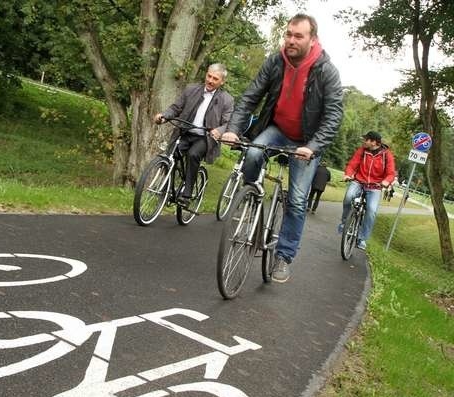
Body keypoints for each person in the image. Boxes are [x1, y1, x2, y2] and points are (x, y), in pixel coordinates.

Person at [221, 13, 343, 283]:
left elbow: (333, 115)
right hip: (277, 129)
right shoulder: (276, 61)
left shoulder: (326, 71)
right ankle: (252, 196)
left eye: (298, 35)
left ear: (313, 39)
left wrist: (313, 147)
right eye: (288, 34)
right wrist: (233, 129)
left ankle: (284, 257)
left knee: (298, 200)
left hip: (307, 142)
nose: (291, 40)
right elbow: (251, 96)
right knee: (252, 152)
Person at [155, 63, 234, 207]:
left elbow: (228, 123)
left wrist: (219, 131)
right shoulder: (191, 89)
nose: (210, 80)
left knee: (193, 154)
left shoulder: (226, 99)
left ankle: (187, 194)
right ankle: (168, 190)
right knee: (171, 155)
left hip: (205, 137)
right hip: (184, 132)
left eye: (215, 79)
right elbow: (176, 108)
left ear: (222, 82)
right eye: (209, 76)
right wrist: (164, 116)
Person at [338, 131, 396, 250]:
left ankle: (362, 238)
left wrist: (385, 181)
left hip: (375, 186)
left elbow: (391, 173)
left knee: (371, 210)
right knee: (349, 197)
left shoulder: (386, 155)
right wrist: (348, 174)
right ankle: (344, 223)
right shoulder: (362, 151)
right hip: (359, 181)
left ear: (374, 142)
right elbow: (352, 164)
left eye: (366, 140)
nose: (364, 141)